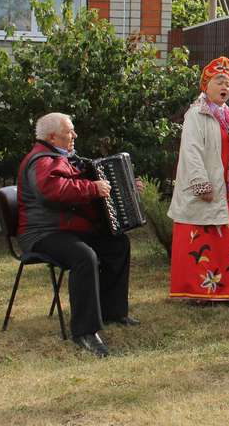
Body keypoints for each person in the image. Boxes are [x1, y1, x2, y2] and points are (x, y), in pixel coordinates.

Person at [16, 112, 139, 358]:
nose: (75, 135)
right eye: (69, 131)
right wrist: (92, 188)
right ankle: (85, 331)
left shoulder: (65, 158)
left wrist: (125, 184)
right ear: (52, 136)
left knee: (117, 243)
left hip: (66, 229)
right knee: (84, 257)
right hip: (43, 234)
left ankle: (112, 311)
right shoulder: (42, 160)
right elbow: (51, 191)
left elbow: (86, 185)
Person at [167, 57, 229, 302]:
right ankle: (196, 291)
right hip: (208, 186)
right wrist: (201, 184)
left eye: (228, 83)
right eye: (219, 81)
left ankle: (228, 289)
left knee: (225, 241)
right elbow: (191, 152)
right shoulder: (196, 114)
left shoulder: (228, 115)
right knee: (201, 237)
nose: (225, 86)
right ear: (206, 86)